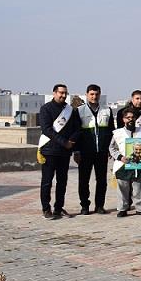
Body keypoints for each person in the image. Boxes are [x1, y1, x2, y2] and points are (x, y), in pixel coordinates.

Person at [38, 84, 80, 219]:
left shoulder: (70, 110)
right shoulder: (45, 109)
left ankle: (58, 208)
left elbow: (77, 128)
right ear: (54, 93)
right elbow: (47, 130)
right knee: (47, 181)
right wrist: (64, 142)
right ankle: (46, 208)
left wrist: (72, 142)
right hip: (49, 150)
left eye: (65, 93)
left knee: (62, 182)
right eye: (60, 93)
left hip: (64, 152)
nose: (63, 95)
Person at [75, 83, 114, 215]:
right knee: (83, 180)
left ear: (100, 95)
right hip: (85, 152)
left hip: (102, 152)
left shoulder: (107, 110)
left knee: (102, 180)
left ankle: (99, 205)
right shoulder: (79, 111)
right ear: (87, 95)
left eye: (96, 94)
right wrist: (76, 151)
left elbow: (111, 131)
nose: (94, 96)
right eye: (91, 94)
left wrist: (110, 148)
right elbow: (76, 133)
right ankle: (85, 205)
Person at [109, 108, 141, 217]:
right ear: (123, 119)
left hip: (138, 164)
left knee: (139, 187)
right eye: (128, 118)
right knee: (123, 187)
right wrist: (119, 157)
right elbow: (112, 148)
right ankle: (123, 208)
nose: (130, 120)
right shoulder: (117, 133)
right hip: (122, 164)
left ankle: (140, 208)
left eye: (132, 117)